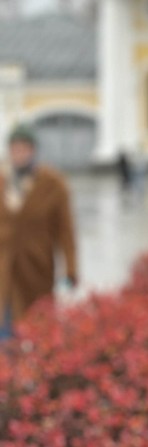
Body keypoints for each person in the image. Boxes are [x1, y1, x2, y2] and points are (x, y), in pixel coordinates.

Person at [0, 124, 78, 340]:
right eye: (15, 149)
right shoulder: (2, 180)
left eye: (24, 148)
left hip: (37, 268)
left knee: (36, 329)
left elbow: (66, 232)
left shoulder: (53, 184)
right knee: (5, 330)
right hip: (4, 268)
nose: (19, 154)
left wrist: (70, 270)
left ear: (33, 151)